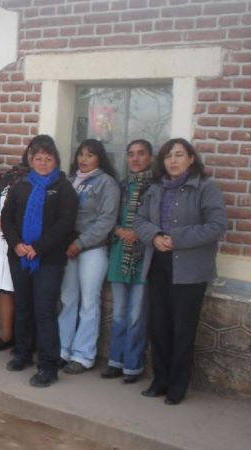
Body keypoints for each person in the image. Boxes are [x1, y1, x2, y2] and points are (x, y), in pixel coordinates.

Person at [135, 138, 227, 405]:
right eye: (168, 156)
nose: (173, 161)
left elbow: (217, 225)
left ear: (191, 159)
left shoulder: (205, 188)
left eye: (178, 155)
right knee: (159, 326)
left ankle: (178, 385)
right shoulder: (155, 189)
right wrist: (154, 237)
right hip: (159, 263)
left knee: (182, 329)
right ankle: (160, 380)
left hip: (189, 268)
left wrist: (176, 238)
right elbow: (139, 220)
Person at [1, 135, 78, 388]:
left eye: (48, 158)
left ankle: (48, 365)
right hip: (20, 256)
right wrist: (17, 244)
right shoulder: (21, 184)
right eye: (38, 158)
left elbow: (65, 224)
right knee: (23, 306)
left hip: (49, 259)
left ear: (55, 160)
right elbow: (7, 217)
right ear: (31, 160)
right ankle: (22, 353)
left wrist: (39, 247)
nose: (43, 163)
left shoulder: (63, 187)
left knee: (44, 310)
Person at [58, 139, 120, 375]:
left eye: (90, 155)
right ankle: (62, 349)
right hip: (68, 248)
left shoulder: (107, 183)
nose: (83, 159)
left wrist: (80, 243)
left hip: (92, 249)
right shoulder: (70, 181)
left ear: (100, 159)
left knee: (89, 302)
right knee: (67, 299)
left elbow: (106, 220)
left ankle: (83, 355)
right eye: (81, 154)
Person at [102, 139, 155, 384]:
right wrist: (118, 230)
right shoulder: (120, 187)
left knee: (136, 314)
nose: (135, 158)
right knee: (120, 313)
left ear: (150, 158)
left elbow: (161, 221)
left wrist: (141, 233)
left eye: (141, 154)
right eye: (131, 154)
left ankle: (132, 366)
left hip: (143, 258)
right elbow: (107, 216)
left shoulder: (157, 188)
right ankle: (115, 361)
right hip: (119, 255)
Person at [0, 147, 31, 352]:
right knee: (4, 290)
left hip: (20, 242)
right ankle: (6, 335)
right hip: (0, 241)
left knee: (21, 291)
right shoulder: (8, 178)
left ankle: (24, 340)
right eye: (32, 154)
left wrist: (11, 226)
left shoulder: (37, 182)